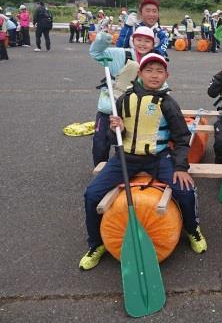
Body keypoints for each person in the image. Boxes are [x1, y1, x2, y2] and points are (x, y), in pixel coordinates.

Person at [79, 53, 208, 270]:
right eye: (149, 70)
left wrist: (180, 166)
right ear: (140, 73)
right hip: (125, 159)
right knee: (91, 194)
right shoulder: (122, 100)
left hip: (157, 159)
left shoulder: (168, 103)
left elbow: (182, 138)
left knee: (186, 191)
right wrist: (115, 130)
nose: (154, 75)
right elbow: (114, 140)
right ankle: (96, 243)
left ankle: (192, 228)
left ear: (167, 75)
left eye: (159, 71)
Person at [88, 26, 156, 167]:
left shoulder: (153, 61)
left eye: (147, 41)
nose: (142, 44)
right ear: (132, 40)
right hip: (109, 107)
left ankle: (121, 169)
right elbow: (96, 52)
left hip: (132, 111)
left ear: (153, 44)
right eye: (139, 40)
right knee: (100, 143)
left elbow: (160, 82)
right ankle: (101, 170)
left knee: (126, 143)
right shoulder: (121, 54)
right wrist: (105, 37)